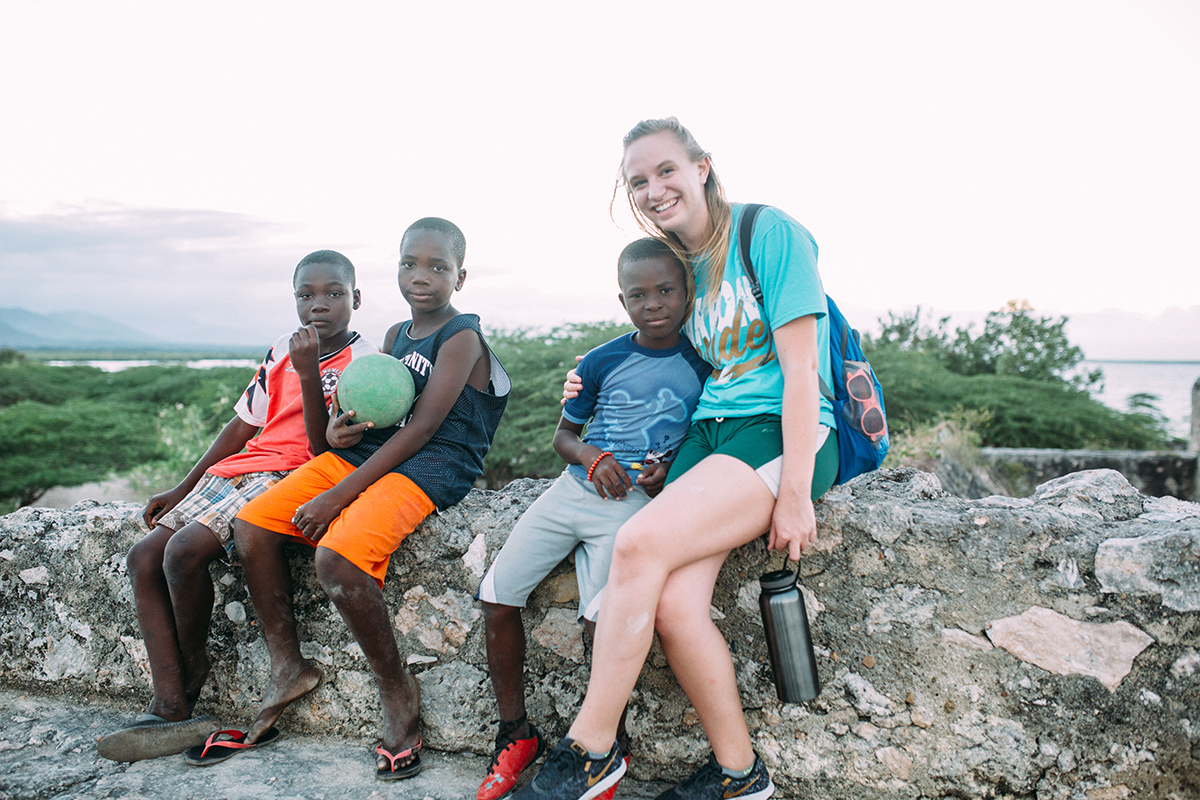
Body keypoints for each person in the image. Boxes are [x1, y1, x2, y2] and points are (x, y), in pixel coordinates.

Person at [515, 118, 840, 800]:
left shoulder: (767, 232)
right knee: (673, 605)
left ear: (702, 166)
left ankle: (591, 750)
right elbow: (652, 331)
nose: (654, 189)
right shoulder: (673, 261)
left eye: (666, 170)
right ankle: (741, 777)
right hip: (708, 429)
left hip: (776, 427)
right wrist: (593, 371)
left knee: (637, 545)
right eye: (638, 181)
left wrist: (796, 493)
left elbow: (803, 368)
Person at [219, 217, 510, 781]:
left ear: (460, 276)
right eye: (409, 264)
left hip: (434, 464)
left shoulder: (462, 339)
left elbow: (422, 430)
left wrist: (338, 497)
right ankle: (288, 666)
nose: (420, 276)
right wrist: (337, 432)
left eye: (437, 266)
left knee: (337, 556)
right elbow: (381, 413)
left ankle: (395, 690)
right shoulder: (398, 336)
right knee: (252, 524)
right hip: (374, 451)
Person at [98, 251, 373, 762]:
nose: (319, 305)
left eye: (334, 293)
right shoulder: (280, 351)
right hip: (240, 470)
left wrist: (311, 372)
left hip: (289, 475)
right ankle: (172, 705)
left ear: (356, 298)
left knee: (182, 553)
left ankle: (188, 674)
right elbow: (245, 425)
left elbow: (323, 448)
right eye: (306, 295)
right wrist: (184, 486)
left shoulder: (364, 365)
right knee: (142, 557)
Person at [475, 238, 709, 800]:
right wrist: (591, 457)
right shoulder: (603, 360)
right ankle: (516, 734)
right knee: (497, 595)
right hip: (572, 492)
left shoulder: (704, 366)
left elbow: (703, 440)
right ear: (622, 300)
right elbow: (564, 435)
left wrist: (667, 471)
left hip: (629, 508)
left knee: (602, 624)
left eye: (665, 291)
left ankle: (606, 754)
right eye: (638, 295)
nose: (653, 304)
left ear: (687, 293)